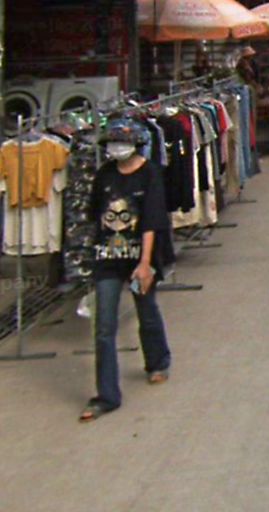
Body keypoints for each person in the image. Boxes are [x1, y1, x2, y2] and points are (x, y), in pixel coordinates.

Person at [79, 119, 173, 422]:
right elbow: (95, 216)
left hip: (138, 260)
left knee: (146, 310)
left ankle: (157, 361)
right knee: (104, 327)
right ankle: (107, 396)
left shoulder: (150, 174)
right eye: (112, 143)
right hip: (107, 259)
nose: (116, 148)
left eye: (121, 142)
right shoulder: (104, 175)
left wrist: (145, 264)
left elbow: (152, 221)